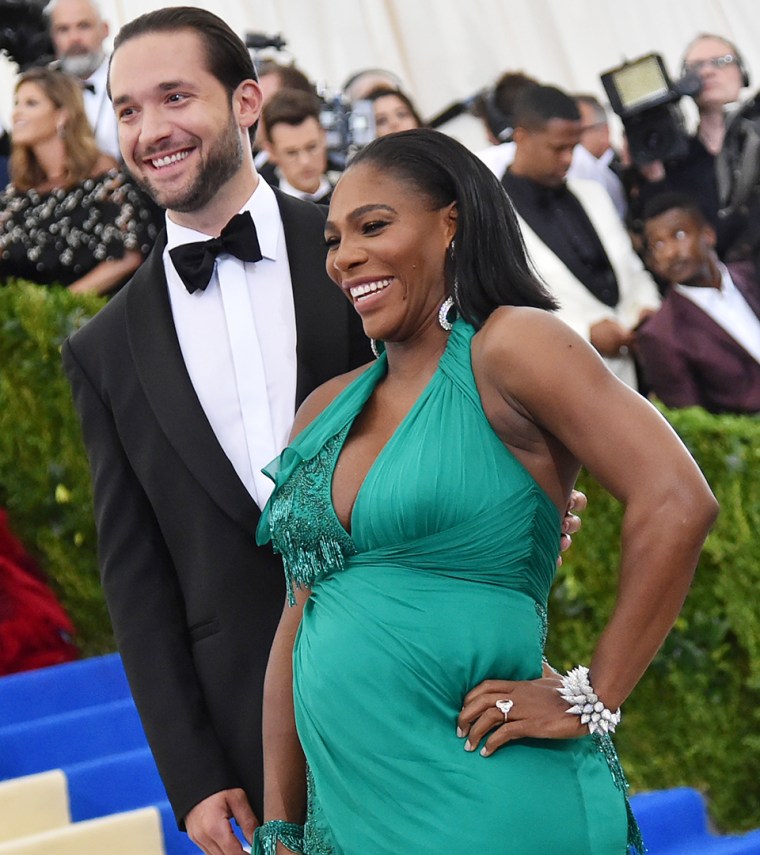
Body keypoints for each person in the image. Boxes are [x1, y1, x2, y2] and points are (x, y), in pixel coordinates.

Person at [254, 128, 718, 854]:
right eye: (334, 238)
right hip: (350, 814)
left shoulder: (513, 347)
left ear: (451, 223)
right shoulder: (321, 411)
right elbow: (299, 613)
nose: (344, 257)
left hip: (488, 794)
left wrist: (591, 695)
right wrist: (280, 819)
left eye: (374, 225)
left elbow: (677, 498)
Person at [61, 7, 372, 853]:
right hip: (246, 736)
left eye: (173, 98)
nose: (150, 130)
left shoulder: (364, 253)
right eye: (127, 110)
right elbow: (137, 579)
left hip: (414, 678)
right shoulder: (103, 350)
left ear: (246, 102)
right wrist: (192, 775)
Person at [502, 84, 661, 388]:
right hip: (572, 382)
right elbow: (505, 312)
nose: (568, 160)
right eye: (557, 148)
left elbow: (632, 268)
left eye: (573, 147)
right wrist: (585, 333)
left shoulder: (594, 193)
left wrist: (645, 308)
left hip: (645, 367)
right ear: (521, 137)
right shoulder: (492, 218)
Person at [0, 67, 156, 294]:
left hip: (92, 318)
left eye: (31, 103)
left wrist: (60, 307)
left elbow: (128, 255)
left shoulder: (104, 180)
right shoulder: (17, 193)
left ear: (62, 115)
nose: (17, 113)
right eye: (16, 103)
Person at [636, 193, 760, 413]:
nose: (671, 253)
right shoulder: (660, 335)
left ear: (708, 235)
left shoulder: (751, 274)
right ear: (653, 262)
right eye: (658, 245)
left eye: (679, 234)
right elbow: (695, 424)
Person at [45, 0, 120, 162]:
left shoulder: (128, 76)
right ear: (53, 37)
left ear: (105, 30)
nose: (74, 38)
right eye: (63, 29)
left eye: (84, 26)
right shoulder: (43, 89)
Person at [261, 89, 335, 203]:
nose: (305, 161)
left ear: (324, 137)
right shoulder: (264, 206)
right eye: (291, 153)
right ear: (271, 152)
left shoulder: (350, 190)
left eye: (312, 147)